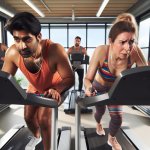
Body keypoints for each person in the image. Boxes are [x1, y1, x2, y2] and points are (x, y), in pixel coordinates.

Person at [3, 12, 74, 150]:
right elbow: (4, 81)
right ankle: (37, 137)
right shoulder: (12, 53)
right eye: (17, 39)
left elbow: (69, 78)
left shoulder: (55, 50)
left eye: (27, 40)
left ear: (38, 37)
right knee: (28, 117)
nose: (22, 46)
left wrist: (57, 89)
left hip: (56, 87)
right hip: (35, 87)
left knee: (43, 119)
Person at [84, 21, 147, 150]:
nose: (128, 47)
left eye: (131, 42)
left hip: (116, 89)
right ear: (111, 41)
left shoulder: (135, 52)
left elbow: (145, 77)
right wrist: (88, 88)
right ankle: (98, 124)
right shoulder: (101, 51)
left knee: (117, 118)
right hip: (99, 87)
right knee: (99, 111)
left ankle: (111, 138)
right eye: (122, 42)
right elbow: (87, 78)